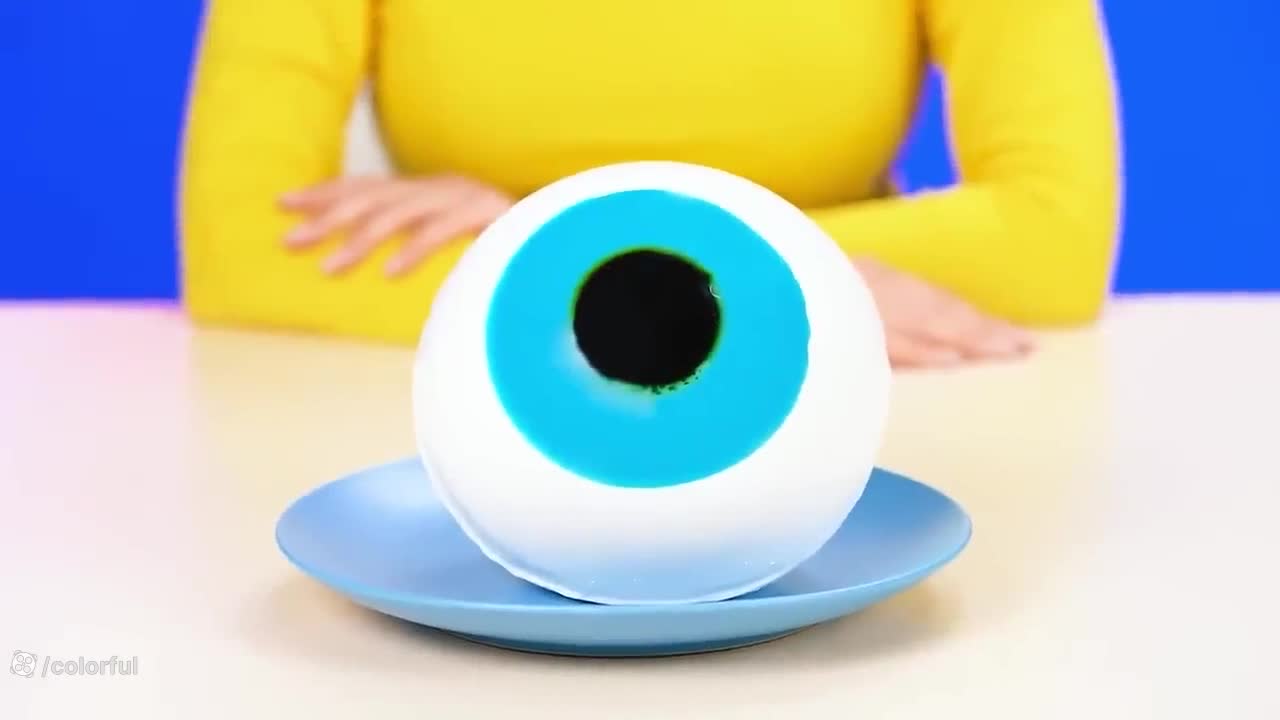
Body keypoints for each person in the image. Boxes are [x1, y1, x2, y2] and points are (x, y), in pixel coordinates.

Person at [181, 0, 1120, 368]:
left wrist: (544, 257)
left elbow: (1053, 238)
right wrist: (782, 280)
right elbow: (243, 251)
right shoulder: (804, 280)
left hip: (866, 410)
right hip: (471, 434)